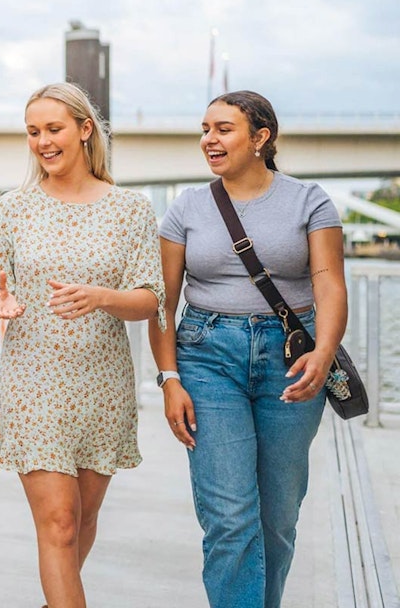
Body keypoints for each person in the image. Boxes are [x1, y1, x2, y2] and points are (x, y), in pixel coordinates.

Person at [147, 91, 346, 608]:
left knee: (278, 519)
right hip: (207, 358)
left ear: (261, 138)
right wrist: (169, 379)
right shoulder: (187, 207)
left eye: (223, 129)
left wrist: (324, 352)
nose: (208, 139)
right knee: (230, 518)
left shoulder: (309, 201)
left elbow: (329, 285)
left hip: (292, 359)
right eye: (205, 129)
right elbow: (162, 303)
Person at [0, 81, 164, 608]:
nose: (42, 142)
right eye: (33, 132)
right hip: (34, 381)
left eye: (53, 129)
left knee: (81, 519)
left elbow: (150, 299)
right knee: (57, 523)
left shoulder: (131, 209)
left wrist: (103, 297)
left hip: (102, 385)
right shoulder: (13, 208)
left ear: (84, 130)